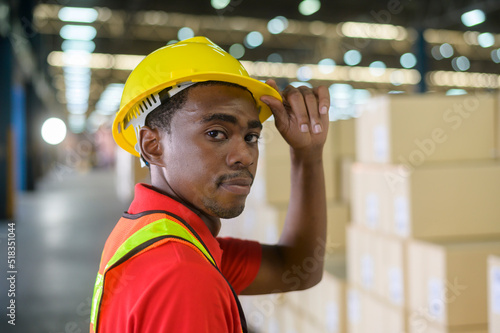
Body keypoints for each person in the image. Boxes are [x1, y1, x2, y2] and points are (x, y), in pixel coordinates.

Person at [90, 36, 330, 333]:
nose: (244, 155)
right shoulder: (181, 273)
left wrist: (308, 155)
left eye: (251, 137)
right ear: (153, 145)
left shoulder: (160, 235)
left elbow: (296, 268)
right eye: (216, 133)